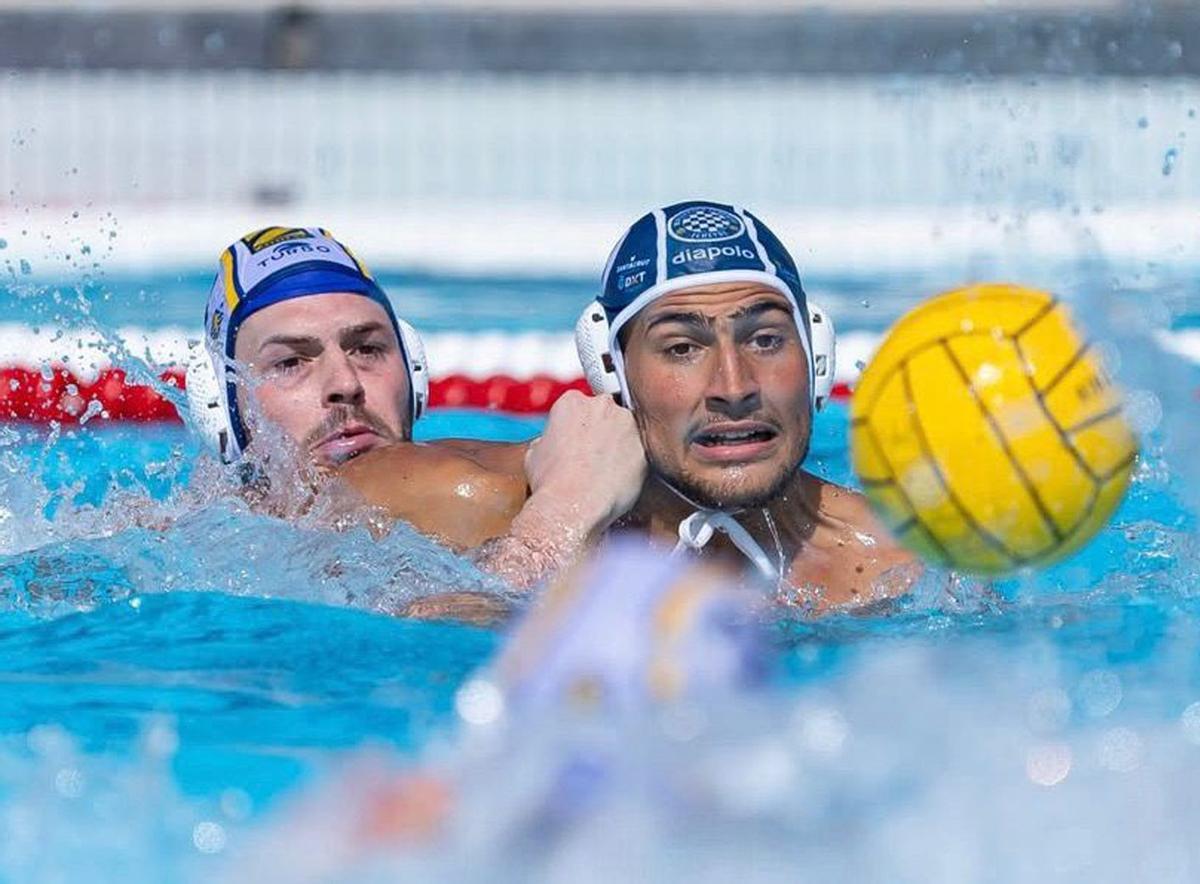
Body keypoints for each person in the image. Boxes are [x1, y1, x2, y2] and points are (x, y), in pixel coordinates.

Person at [186, 226, 646, 607]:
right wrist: (553, 528)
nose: (345, 383)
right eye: (290, 363)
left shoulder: (485, 483)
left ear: (414, 373)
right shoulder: (188, 555)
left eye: (367, 349)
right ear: (222, 409)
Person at [573, 200, 918, 609]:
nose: (734, 388)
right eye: (682, 348)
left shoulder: (904, 566)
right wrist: (560, 519)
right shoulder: (489, 506)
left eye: (766, 340)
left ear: (817, 356)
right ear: (612, 371)